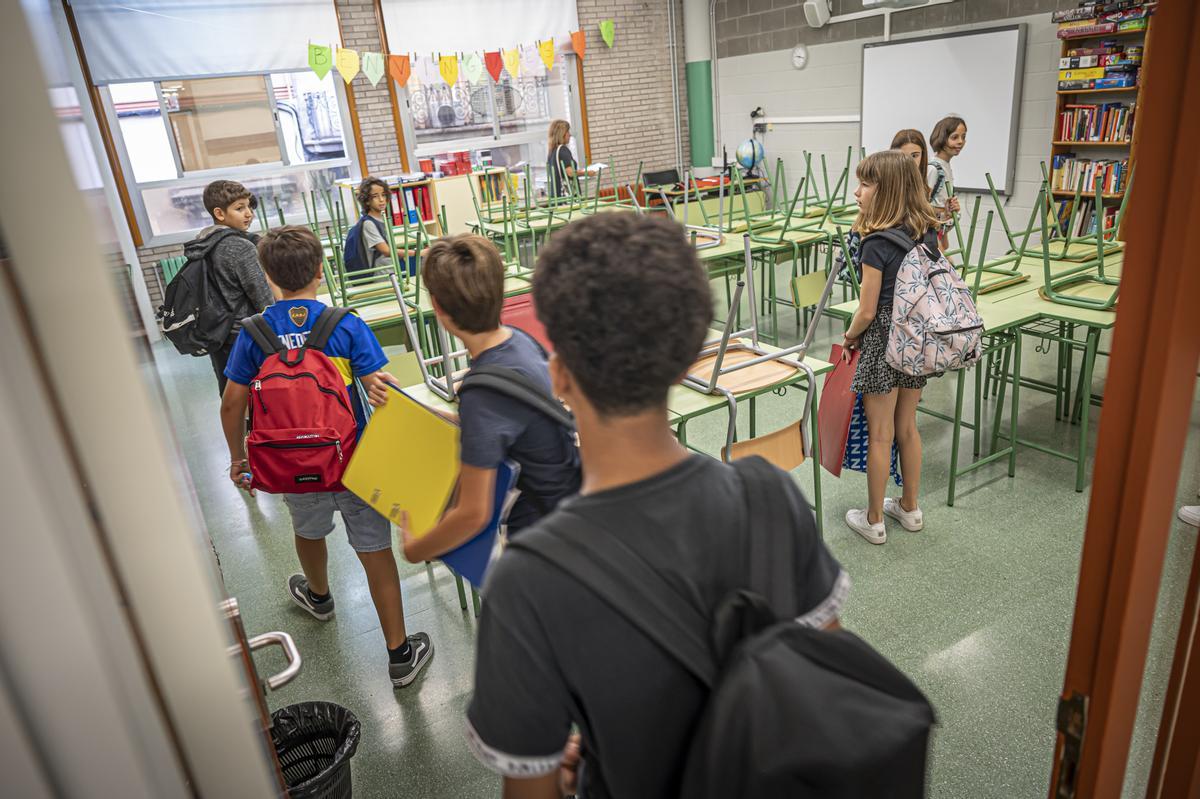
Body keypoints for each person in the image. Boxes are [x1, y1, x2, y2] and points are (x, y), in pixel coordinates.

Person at [463, 213, 848, 798]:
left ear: (558, 376)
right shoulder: (767, 497)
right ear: (689, 356)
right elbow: (823, 683)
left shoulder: (525, 579)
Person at [219, 225, 434, 688]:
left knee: (307, 529)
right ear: (321, 271)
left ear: (267, 275)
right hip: (353, 461)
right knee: (373, 550)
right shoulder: (345, 324)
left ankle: (319, 596)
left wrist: (239, 459)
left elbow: (233, 402)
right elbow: (383, 389)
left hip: (293, 465)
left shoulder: (253, 333)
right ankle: (399, 654)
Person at [393, 234, 580, 564]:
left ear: (437, 307)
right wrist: (451, 418)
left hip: (542, 541)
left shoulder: (480, 394)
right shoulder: (519, 341)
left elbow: (472, 514)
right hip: (573, 512)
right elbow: (516, 420)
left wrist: (415, 548)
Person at [840, 150, 942, 545]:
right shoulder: (926, 231)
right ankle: (911, 509)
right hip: (916, 338)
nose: (857, 192)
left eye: (865, 185)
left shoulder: (875, 244)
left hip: (883, 338)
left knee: (881, 434)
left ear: (886, 191)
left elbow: (866, 311)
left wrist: (850, 338)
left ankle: (874, 519)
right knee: (908, 428)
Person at [184, 179, 274, 396]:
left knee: (231, 394)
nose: (249, 213)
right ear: (219, 213)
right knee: (260, 395)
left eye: (249, 206)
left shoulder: (203, 242)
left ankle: (238, 431)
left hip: (217, 333)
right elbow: (263, 300)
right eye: (240, 208)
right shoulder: (241, 247)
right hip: (246, 334)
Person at [928, 116, 967, 230]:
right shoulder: (933, 168)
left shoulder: (946, 165)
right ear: (941, 139)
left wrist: (949, 210)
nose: (961, 141)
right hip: (931, 229)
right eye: (954, 137)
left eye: (963, 137)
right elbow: (922, 206)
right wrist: (943, 211)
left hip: (939, 227)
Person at [355, 176, 392, 271]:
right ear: (366, 200)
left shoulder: (381, 219)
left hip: (390, 267)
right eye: (375, 196)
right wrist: (416, 252)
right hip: (382, 273)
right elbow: (386, 251)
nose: (381, 199)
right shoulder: (368, 223)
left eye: (383, 195)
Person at [546, 119, 577, 198]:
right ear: (562, 134)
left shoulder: (552, 151)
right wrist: (587, 172)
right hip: (567, 199)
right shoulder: (563, 150)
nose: (570, 135)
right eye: (568, 132)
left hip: (556, 196)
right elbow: (570, 173)